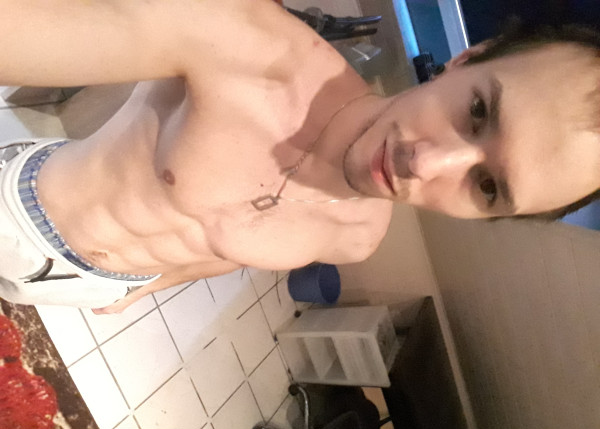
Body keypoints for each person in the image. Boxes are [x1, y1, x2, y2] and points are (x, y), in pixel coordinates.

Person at [0, 0, 599, 313]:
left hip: (94, 288)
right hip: (20, 209)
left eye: (488, 187)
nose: (425, 165)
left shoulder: (357, 237)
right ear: (467, 59)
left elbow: (224, 249)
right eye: (478, 111)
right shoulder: (244, 43)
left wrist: (143, 289)